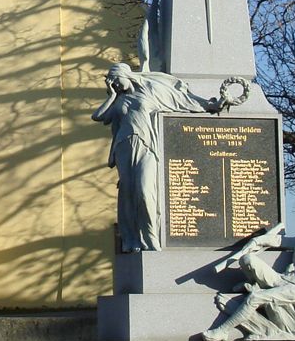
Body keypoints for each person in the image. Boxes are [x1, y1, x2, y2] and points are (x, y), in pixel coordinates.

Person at [91, 63, 218, 252]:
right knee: (128, 193)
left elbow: (179, 100)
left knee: (145, 190)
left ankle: (151, 238)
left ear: (126, 75)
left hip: (147, 146)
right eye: (112, 82)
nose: (115, 84)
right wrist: (112, 95)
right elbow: (98, 116)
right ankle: (132, 239)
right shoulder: (118, 100)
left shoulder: (149, 90)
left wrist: (209, 105)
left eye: (116, 80)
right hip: (123, 147)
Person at [197, 213, 295, 341]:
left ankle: (222, 331)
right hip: (287, 278)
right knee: (247, 260)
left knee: (255, 298)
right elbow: (280, 240)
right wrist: (258, 240)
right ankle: (254, 283)